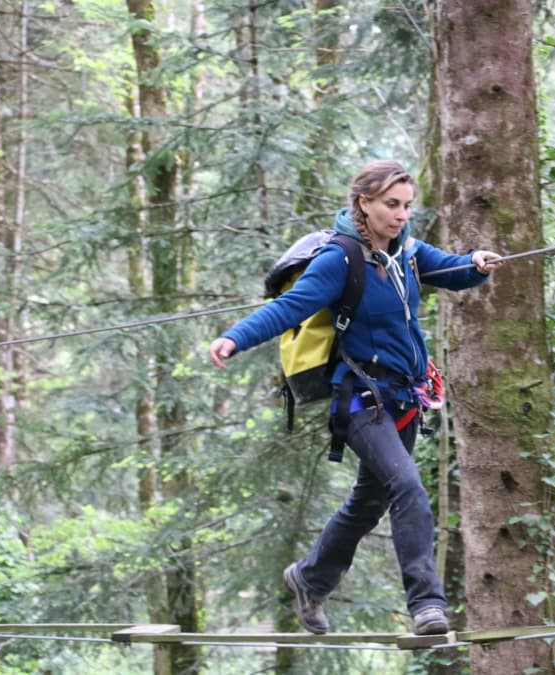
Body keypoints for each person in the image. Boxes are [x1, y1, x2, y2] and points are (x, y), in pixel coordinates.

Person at [208, 159, 502, 636]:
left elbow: (453, 270)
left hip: (404, 398)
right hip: (361, 398)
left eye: (407, 205)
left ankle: (310, 578)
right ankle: (427, 605)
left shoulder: (407, 251)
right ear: (364, 203)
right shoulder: (339, 258)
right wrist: (234, 338)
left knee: (370, 501)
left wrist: (476, 263)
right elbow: (289, 307)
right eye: (392, 204)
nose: (402, 214)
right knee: (408, 488)